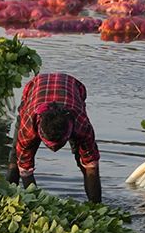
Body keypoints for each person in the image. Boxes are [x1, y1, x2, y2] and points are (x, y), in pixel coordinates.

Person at [10, 72, 101, 203]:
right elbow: (25, 169)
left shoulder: (81, 124)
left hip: (72, 87)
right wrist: (38, 205)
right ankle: (6, 197)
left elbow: (92, 164)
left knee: (86, 162)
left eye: (59, 145)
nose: (54, 150)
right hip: (35, 89)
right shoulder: (29, 125)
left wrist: (96, 205)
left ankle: (95, 203)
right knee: (16, 159)